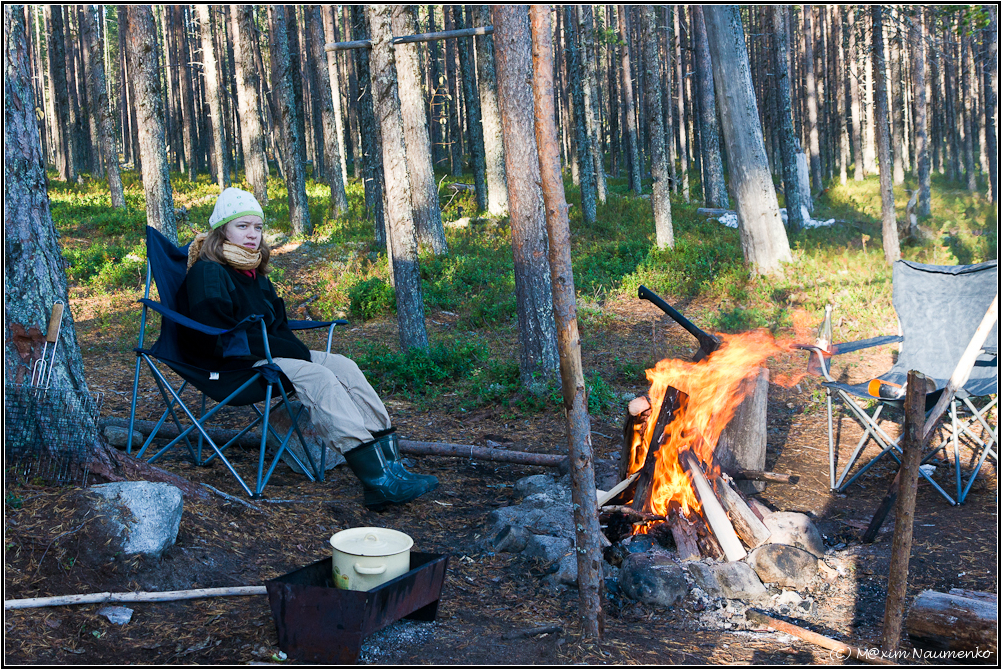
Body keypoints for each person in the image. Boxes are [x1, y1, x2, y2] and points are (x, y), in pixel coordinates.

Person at [176, 187, 437, 510]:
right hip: (232, 365)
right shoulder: (208, 272)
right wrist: (284, 349)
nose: (252, 234)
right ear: (222, 231)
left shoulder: (253, 272)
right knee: (319, 377)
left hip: (270, 355)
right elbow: (213, 335)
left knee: (344, 367)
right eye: (242, 226)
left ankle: (392, 467)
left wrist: (287, 348)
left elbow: (276, 325)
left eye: (257, 227)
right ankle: (377, 481)